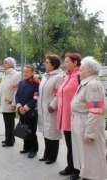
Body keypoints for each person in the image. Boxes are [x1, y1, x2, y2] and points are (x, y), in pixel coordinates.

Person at [71, 56, 107, 180]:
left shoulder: (92, 85)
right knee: (87, 159)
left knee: (93, 161)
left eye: (81, 70)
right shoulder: (86, 83)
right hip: (82, 124)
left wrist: (90, 133)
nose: (79, 72)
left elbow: (96, 111)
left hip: (87, 127)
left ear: (89, 71)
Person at [57, 52, 81, 180]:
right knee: (69, 144)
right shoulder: (67, 76)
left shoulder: (79, 76)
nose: (65, 64)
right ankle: (70, 166)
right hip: (65, 116)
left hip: (74, 117)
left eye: (67, 62)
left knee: (75, 145)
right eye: (64, 62)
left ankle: (77, 171)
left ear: (75, 63)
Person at [38, 54, 64, 164]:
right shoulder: (45, 76)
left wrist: (52, 105)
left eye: (47, 62)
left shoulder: (58, 77)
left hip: (51, 109)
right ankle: (46, 154)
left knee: (53, 133)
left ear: (54, 64)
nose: (45, 64)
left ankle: (52, 157)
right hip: (43, 109)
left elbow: (59, 94)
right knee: (46, 132)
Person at [15, 64, 40, 158]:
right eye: (24, 71)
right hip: (21, 110)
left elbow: (35, 97)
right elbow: (17, 95)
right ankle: (26, 147)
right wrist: (19, 106)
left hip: (31, 112)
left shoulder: (36, 84)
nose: (25, 73)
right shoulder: (21, 83)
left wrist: (25, 108)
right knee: (24, 129)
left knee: (31, 131)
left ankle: (34, 149)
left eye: (27, 72)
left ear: (32, 72)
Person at [0, 57, 21, 147]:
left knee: (9, 123)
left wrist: (14, 104)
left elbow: (16, 91)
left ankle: (10, 141)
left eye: (6, 63)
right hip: (4, 103)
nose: (4, 64)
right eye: (4, 63)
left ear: (11, 64)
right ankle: (9, 138)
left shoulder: (16, 75)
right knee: (7, 123)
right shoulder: (6, 74)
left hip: (10, 103)